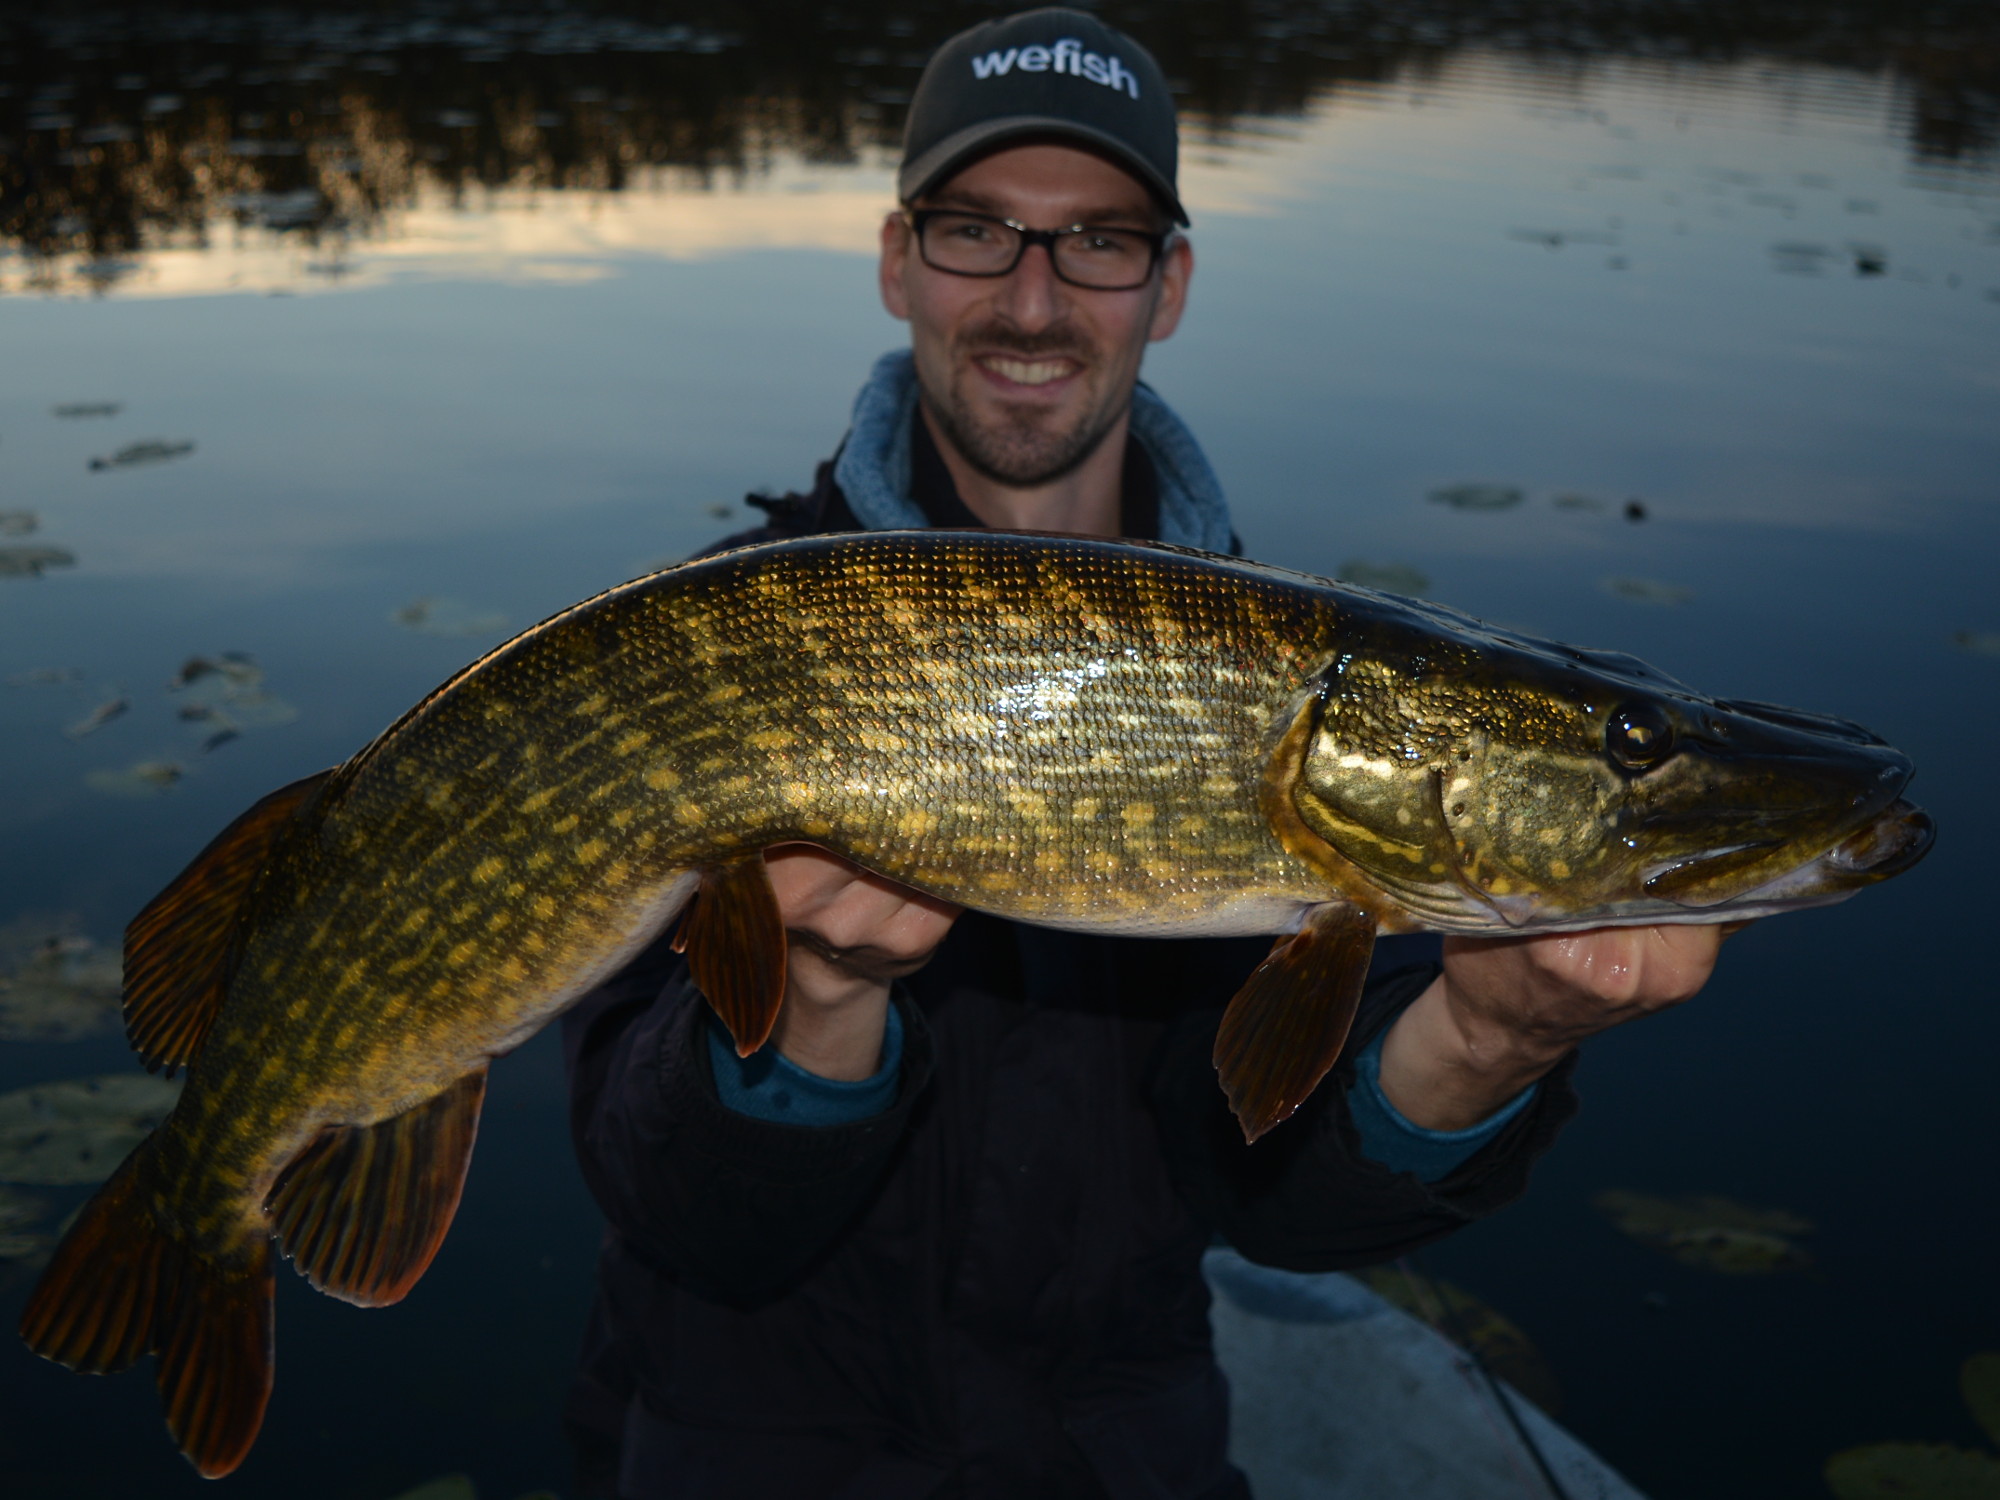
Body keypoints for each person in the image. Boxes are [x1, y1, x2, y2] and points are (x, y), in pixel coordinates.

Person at [562, 10, 1726, 1497]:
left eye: (1099, 241)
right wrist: (817, 1007)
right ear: (896, 260)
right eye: (979, 231)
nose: (1034, 300)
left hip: (1115, 1452)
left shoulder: (1292, 682)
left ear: (1166, 284)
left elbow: (1276, 1200)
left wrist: (1491, 1036)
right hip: (748, 1443)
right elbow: (679, 1216)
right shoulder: (702, 644)